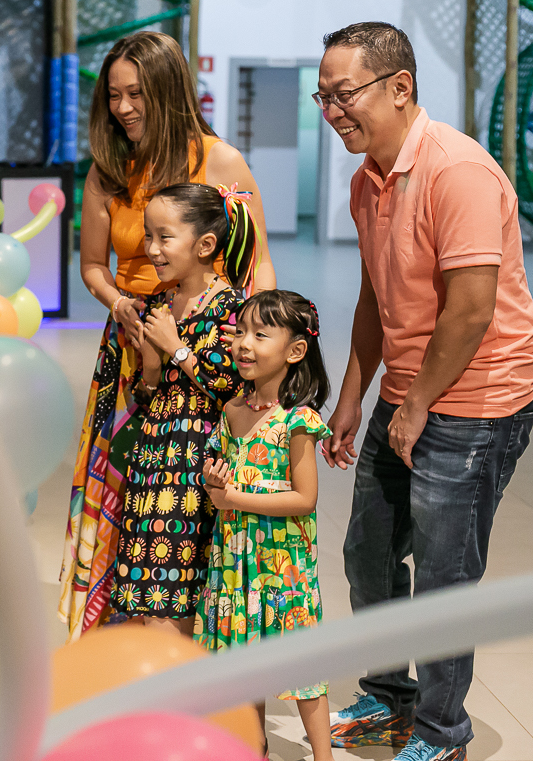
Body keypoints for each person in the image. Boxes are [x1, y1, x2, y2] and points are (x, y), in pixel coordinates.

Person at [316, 22, 533, 761]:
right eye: (324, 97)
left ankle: (444, 736)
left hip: (477, 401)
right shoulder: (366, 180)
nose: (332, 110)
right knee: (368, 554)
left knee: (445, 575)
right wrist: (355, 393)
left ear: (400, 87)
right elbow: (378, 297)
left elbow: (471, 310)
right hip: (410, 390)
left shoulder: (457, 172)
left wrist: (414, 409)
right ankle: (388, 698)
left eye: (343, 94)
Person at [59, 30, 276, 641]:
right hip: (129, 352)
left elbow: (257, 264)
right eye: (113, 96)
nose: (122, 108)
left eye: (136, 94)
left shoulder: (222, 162)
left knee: (201, 493)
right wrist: (121, 304)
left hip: (208, 352)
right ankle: (120, 644)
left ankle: (209, 643)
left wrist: (256, 357)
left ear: (169, 92)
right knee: (128, 493)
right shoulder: (108, 172)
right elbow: (93, 268)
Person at [112, 182, 256, 635]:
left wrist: (176, 350)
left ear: (205, 244)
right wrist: (151, 366)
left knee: (186, 588)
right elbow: (147, 394)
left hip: (200, 463)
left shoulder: (235, 308)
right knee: (150, 586)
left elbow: (233, 391)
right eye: (148, 236)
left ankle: (185, 699)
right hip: (156, 457)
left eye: (163, 237)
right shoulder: (158, 304)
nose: (151, 249)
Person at [198, 289, 333, 761]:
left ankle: (323, 755)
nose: (244, 344)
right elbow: (222, 484)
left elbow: (305, 498)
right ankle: (253, 747)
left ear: (296, 351)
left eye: (261, 334)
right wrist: (214, 484)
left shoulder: (298, 420)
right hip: (235, 561)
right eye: (240, 332)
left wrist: (231, 495)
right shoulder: (232, 411)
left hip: (283, 568)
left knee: (300, 666)